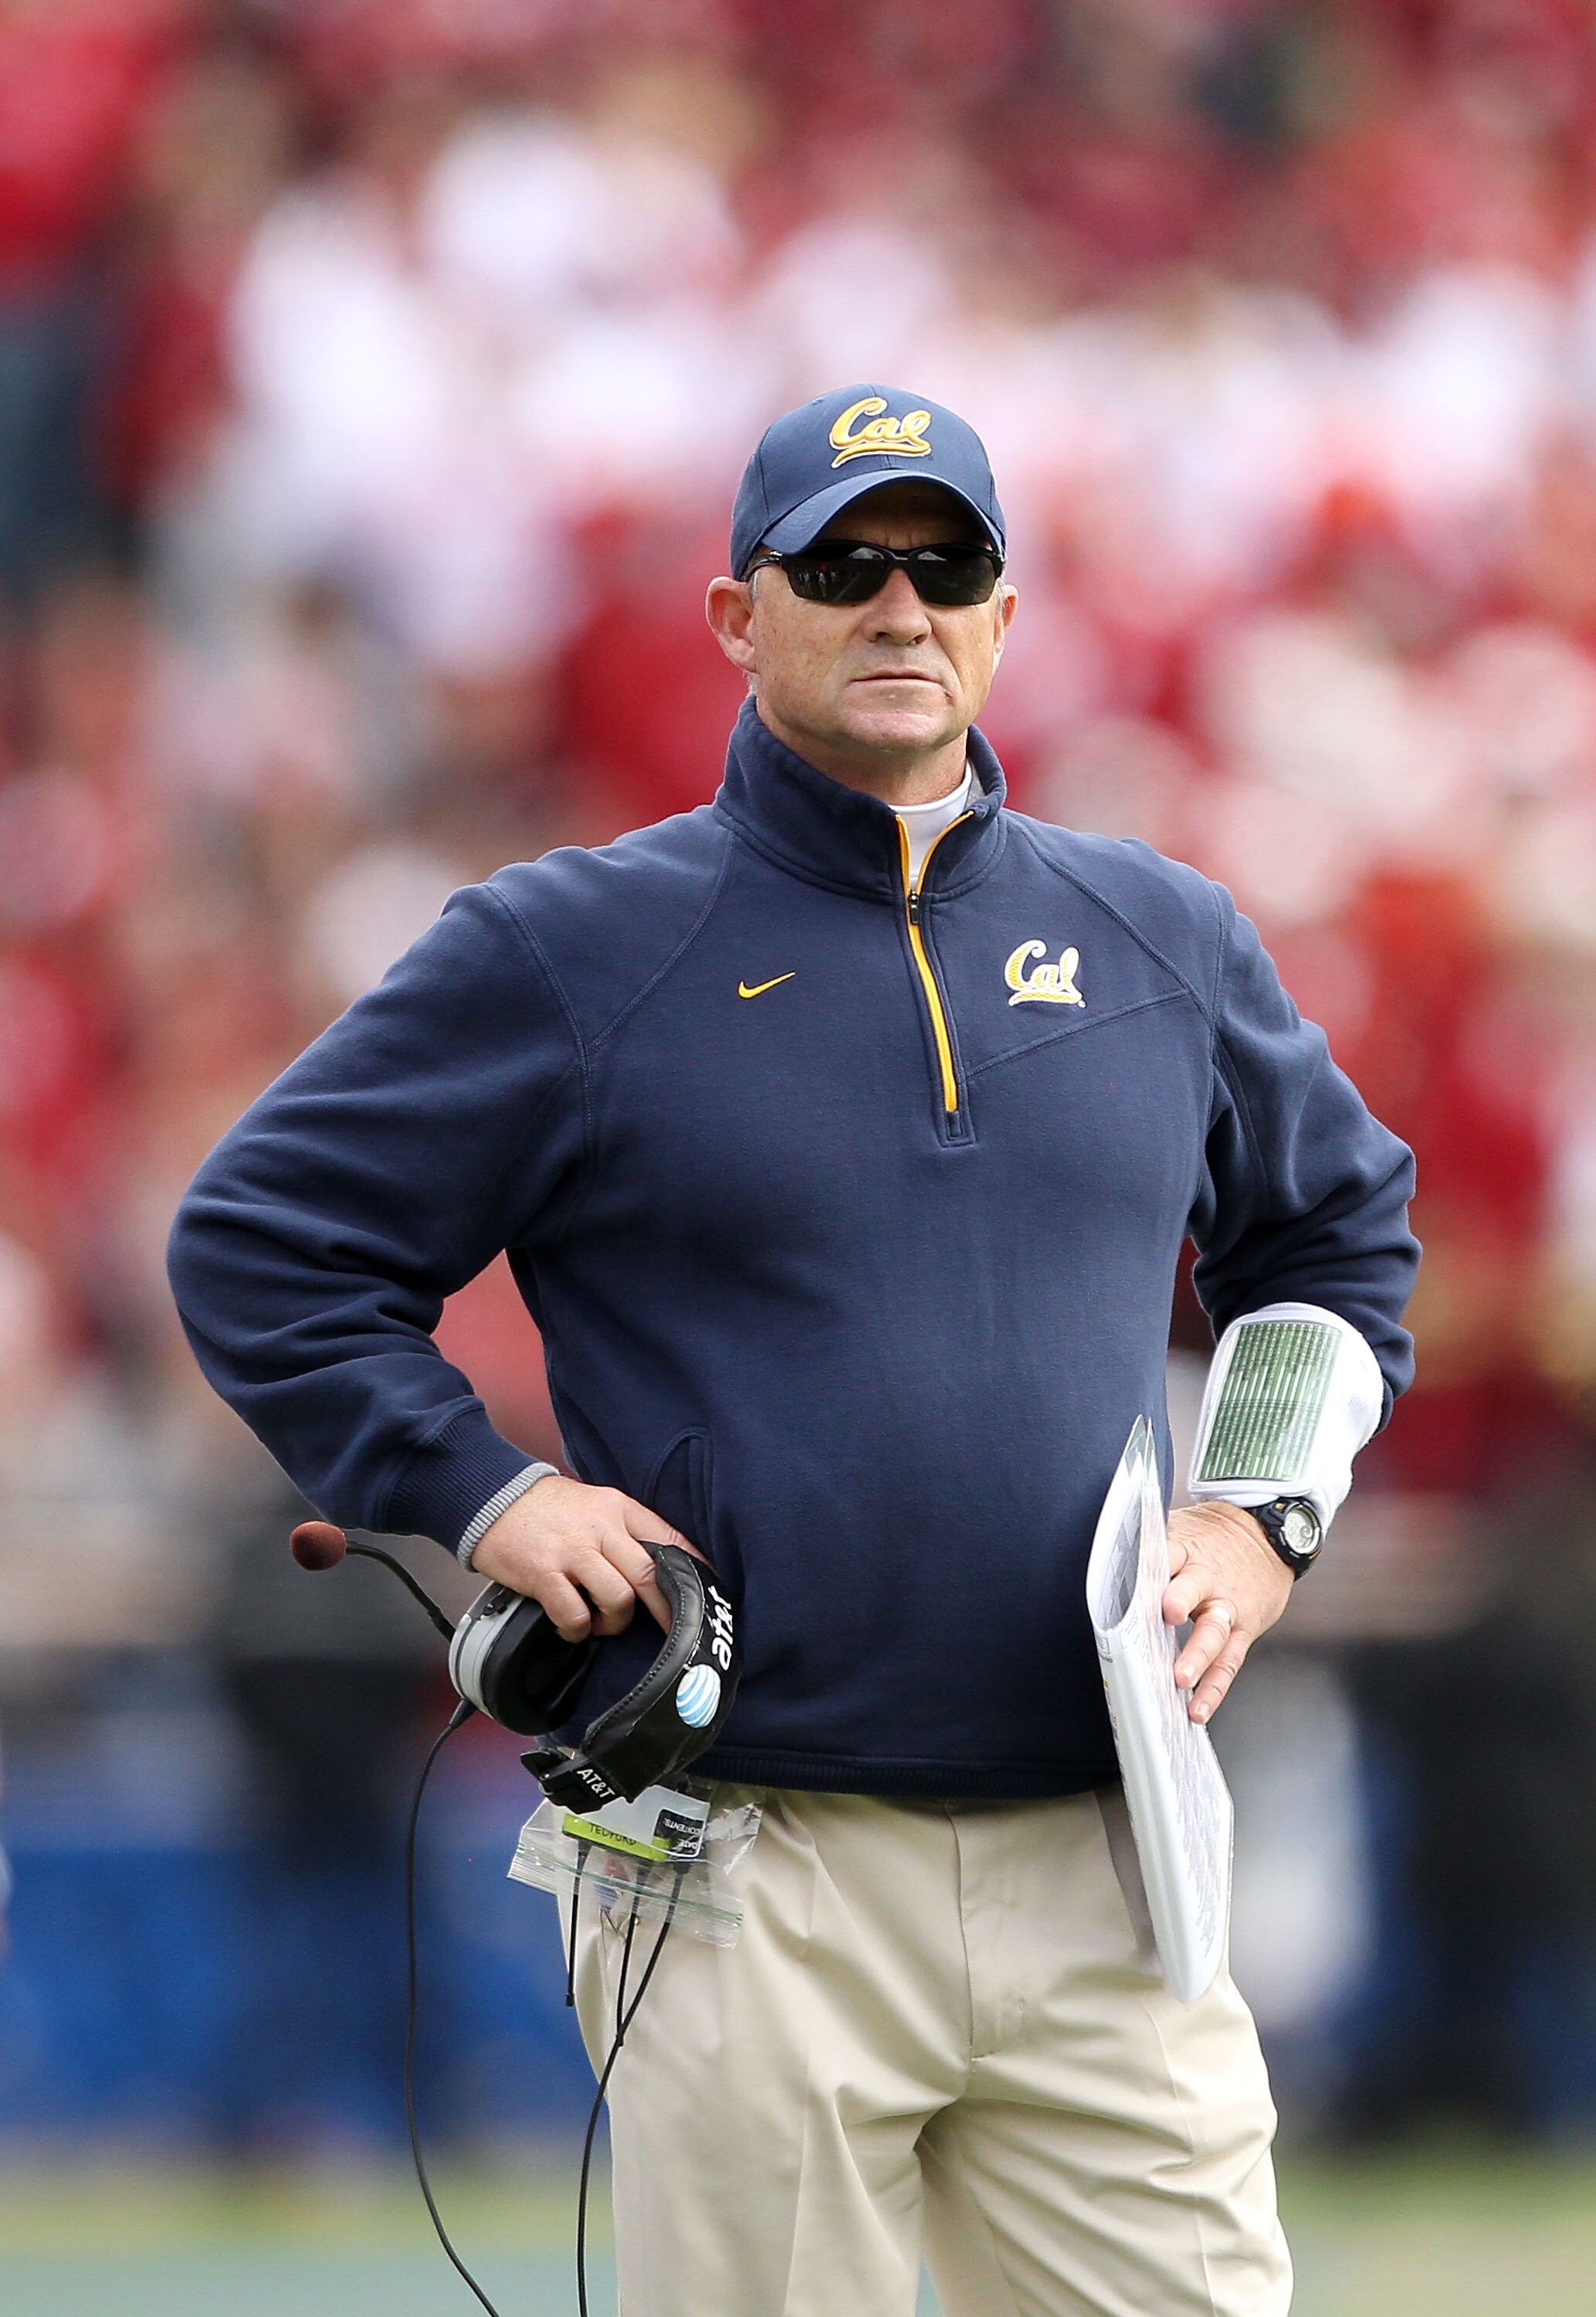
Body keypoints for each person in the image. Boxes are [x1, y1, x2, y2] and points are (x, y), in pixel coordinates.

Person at [168, 384, 1418, 2316]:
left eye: (946, 564)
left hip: (1106, 1850)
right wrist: (480, 1494)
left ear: (1004, 613)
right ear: (738, 620)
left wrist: (1260, 1512)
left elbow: (1335, 1244)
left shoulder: (1162, 936)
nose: (899, 606)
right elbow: (262, 1246)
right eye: (841, 564)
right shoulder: (571, 944)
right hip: (743, 1861)